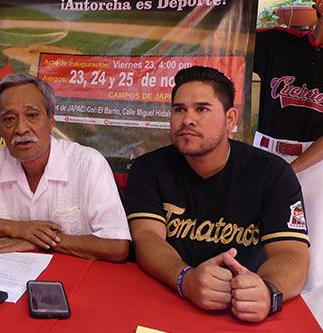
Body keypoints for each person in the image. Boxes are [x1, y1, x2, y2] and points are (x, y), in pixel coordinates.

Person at [124, 66, 309, 322]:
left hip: (240, 307)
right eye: (179, 109)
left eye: (201, 109)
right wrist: (184, 278)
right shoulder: (149, 168)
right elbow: (146, 237)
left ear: (230, 119)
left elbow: (291, 253)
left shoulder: (271, 173)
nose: (187, 119)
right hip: (167, 294)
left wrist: (267, 290)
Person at [0, 73, 130, 262]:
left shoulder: (88, 164)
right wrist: (15, 229)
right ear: (0, 127)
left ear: (51, 120)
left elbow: (116, 246)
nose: (20, 128)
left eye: (32, 115)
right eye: (9, 119)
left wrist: (38, 241)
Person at [252, 0, 323, 301]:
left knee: (311, 243)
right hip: (265, 151)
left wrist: (290, 170)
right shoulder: (278, 42)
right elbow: (224, 41)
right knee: (252, 232)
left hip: (313, 164)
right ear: (320, 5)